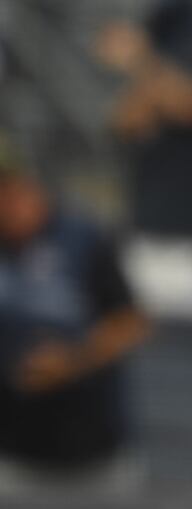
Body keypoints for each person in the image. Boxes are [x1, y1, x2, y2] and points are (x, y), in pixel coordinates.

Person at [0, 136, 149, 489]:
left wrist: (72, 361)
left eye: (11, 189)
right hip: (12, 451)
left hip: (94, 451)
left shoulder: (82, 237)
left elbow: (132, 323)